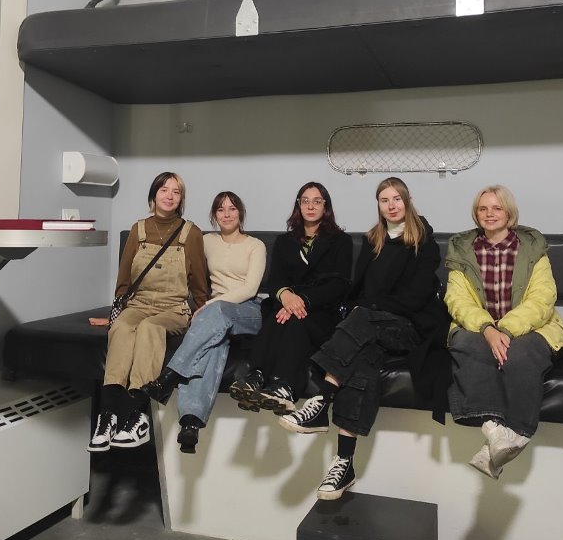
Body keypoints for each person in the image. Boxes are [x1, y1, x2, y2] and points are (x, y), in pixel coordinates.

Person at [278, 177, 450, 500]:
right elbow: (361, 290)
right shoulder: (374, 240)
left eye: (396, 199)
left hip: (410, 328)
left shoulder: (423, 240)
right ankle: (344, 462)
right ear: (379, 205)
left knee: (361, 319)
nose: (391, 206)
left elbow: (414, 299)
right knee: (362, 361)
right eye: (384, 200)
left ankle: (322, 399)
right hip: (372, 326)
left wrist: (369, 307)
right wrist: (367, 307)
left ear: (408, 200)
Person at [443, 184, 563, 479]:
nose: (489, 214)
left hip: (530, 326)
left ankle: (503, 442)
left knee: (519, 355)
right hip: (479, 326)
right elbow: (457, 299)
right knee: (467, 345)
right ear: (476, 214)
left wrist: (506, 329)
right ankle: (494, 432)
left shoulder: (532, 249)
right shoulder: (462, 251)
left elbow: (543, 298)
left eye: (497, 208)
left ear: (509, 212)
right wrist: (488, 328)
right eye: (483, 208)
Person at [88, 172, 209, 452]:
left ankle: (137, 415)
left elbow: (199, 283)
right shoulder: (138, 230)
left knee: (149, 329)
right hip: (138, 304)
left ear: (181, 199)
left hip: (173, 308)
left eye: (176, 192)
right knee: (122, 328)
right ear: (154, 195)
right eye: (164, 189)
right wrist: (116, 314)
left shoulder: (191, 233)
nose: (169, 195)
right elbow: (124, 281)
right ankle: (108, 416)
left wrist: (203, 311)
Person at [142, 191, 267, 453]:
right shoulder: (206, 241)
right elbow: (176, 258)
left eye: (232, 208)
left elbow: (249, 289)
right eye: (221, 209)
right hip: (215, 317)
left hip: (249, 310)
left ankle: (170, 375)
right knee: (212, 344)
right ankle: (191, 423)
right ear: (214, 215)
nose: (227, 214)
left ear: (241, 213)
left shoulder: (255, 245)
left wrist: (209, 305)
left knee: (216, 313)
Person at [229, 182, 352, 415]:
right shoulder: (284, 242)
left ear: (325, 206)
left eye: (317, 201)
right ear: (298, 205)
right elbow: (275, 280)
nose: (310, 206)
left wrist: (300, 300)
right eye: (305, 201)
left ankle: (286, 386)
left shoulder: (341, 241)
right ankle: (256, 376)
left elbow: (339, 285)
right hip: (285, 304)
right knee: (278, 315)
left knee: (295, 318)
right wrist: (286, 296)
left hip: (322, 311)